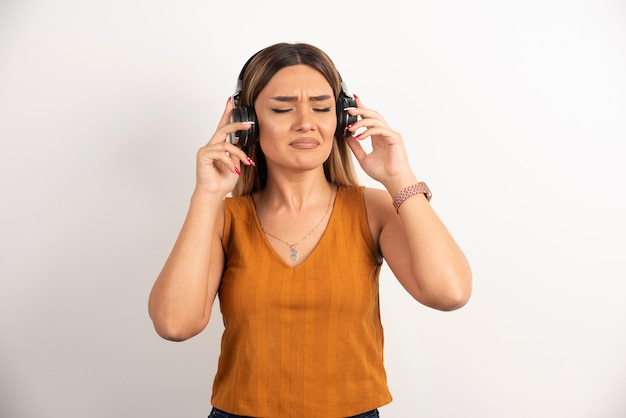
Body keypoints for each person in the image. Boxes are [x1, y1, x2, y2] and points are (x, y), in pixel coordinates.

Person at [148, 42, 472, 418]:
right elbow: (174, 324)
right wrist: (206, 194)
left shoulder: (373, 209)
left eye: (322, 108)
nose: (306, 121)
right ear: (247, 121)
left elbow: (450, 293)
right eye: (283, 109)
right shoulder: (225, 219)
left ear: (342, 119)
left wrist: (399, 177)